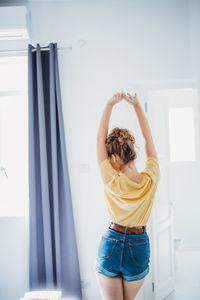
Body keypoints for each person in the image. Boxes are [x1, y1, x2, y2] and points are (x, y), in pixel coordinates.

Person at [95, 91, 160, 300]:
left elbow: (98, 140)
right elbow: (148, 139)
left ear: (113, 157)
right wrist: (138, 107)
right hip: (138, 245)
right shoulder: (151, 178)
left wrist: (109, 104)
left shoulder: (111, 180)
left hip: (111, 243)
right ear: (132, 152)